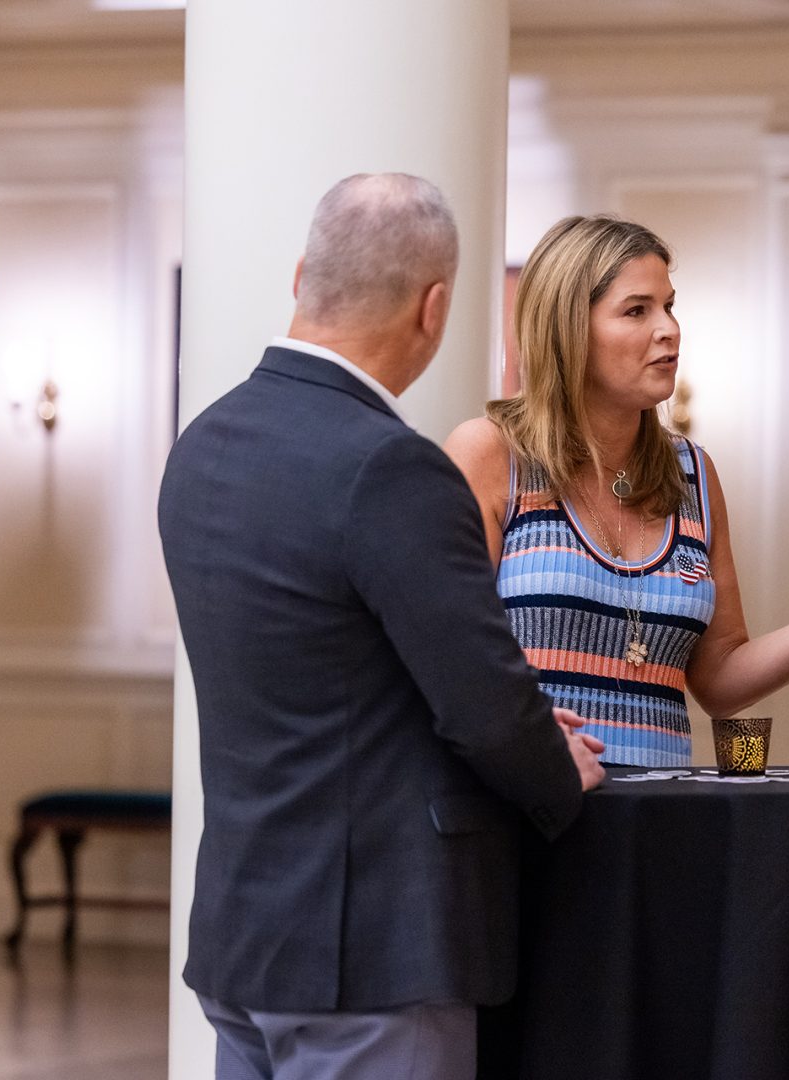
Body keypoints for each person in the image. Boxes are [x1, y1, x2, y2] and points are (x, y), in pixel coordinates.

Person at [158, 174, 605, 1079]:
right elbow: (481, 702)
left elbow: (326, 678)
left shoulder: (201, 443)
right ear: (434, 308)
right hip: (372, 948)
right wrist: (556, 771)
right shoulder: (390, 466)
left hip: (246, 934)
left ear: (300, 276)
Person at [445, 214, 789, 766]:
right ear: (567, 330)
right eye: (637, 310)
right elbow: (451, 658)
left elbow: (721, 680)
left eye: (670, 306)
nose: (669, 329)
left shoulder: (693, 474)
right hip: (533, 816)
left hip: (664, 823)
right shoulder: (493, 455)